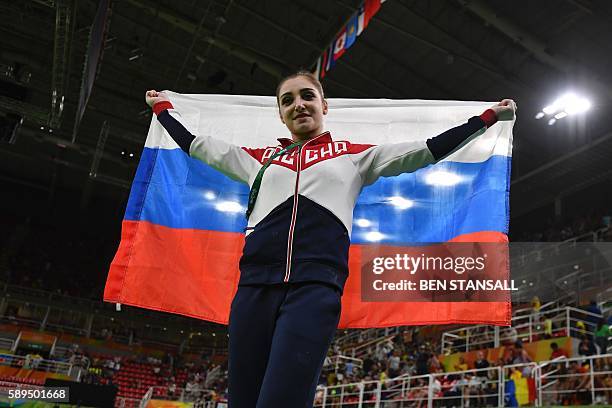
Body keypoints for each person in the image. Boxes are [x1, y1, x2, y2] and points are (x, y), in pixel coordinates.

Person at [144, 71, 516, 407]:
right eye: (287, 100)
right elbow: (195, 144)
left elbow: (426, 149)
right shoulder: (260, 161)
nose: (298, 104)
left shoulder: (354, 158)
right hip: (253, 290)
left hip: (314, 290)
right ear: (280, 114)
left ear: (324, 105)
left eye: (307, 96)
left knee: (280, 400)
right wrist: (161, 108)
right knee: (244, 400)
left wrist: (485, 119)